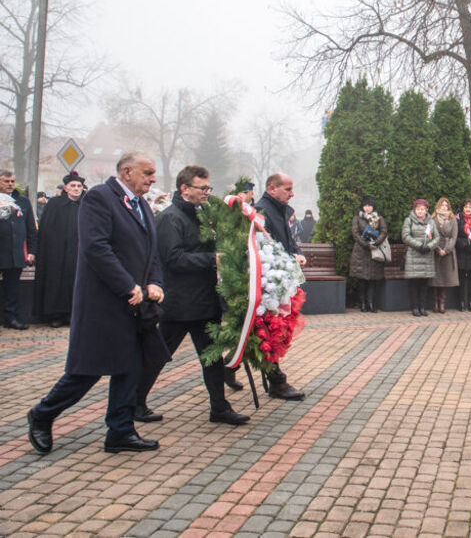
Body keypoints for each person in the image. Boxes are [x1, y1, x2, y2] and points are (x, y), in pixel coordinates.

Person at [28, 152, 170, 454]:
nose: (152, 179)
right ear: (127, 172)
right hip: (103, 302)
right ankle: (42, 414)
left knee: (129, 367)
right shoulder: (100, 199)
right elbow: (96, 247)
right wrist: (126, 284)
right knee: (87, 370)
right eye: (147, 172)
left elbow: (151, 251)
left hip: (135, 305)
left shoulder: (143, 205)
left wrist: (155, 282)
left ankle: (120, 431)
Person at [134, 166, 250, 427]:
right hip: (179, 304)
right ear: (185, 189)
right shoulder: (170, 219)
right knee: (158, 356)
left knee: (211, 359)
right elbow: (173, 259)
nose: (207, 193)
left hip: (203, 302)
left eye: (209, 188)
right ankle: (135, 402)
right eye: (202, 188)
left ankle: (219, 408)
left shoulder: (200, 215)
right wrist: (213, 259)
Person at [254, 174, 307, 400]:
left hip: (280, 280)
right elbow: (265, 246)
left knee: (266, 333)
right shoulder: (261, 211)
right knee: (269, 333)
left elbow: (287, 240)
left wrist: (297, 253)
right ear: (272, 188)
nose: (292, 193)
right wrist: (287, 257)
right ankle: (277, 382)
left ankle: (230, 367)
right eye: (288, 189)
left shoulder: (280, 209)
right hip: (268, 284)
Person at [33, 172, 86, 328]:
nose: (76, 189)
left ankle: (72, 314)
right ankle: (56, 314)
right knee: (56, 282)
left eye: (79, 186)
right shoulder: (55, 204)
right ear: (66, 188)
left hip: (78, 252)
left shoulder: (86, 204)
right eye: (73, 186)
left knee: (75, 282)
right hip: (56, 252)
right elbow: (46, 229)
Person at [0, 169, 37, 330]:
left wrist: (31, 251)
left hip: (15, 252)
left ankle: (11, 318)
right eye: (6, 181)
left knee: (12, 289)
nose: (10, 184)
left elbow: (30, 229)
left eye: (12, 182)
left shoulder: (22, 201)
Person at [401, 198, 439, 316]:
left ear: (427, 210)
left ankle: (422, 307)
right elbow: (405, 236)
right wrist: (419, 246)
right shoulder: (409, 220)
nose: (420, 211)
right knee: (414, 284)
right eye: (418, 209)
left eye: (422, 209)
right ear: (415, 210)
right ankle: (414, 307)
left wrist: (428, 247)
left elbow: (437, 238)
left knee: (424, 284)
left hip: (427, 255)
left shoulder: (431, 222)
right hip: (414, 255)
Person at [350, 197, 387, 313]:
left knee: (372, 279)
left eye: (369, 205)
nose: (367, 207)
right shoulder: (357, 218)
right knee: (362, 280)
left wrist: (376, 242)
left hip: (374, 251)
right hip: (361, 252)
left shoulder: (379, 218)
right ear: (362, 207)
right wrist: (365, 244)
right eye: (365, 205)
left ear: (373, 207)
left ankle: (371, 304)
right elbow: (355, 233)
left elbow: (383, 231)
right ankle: (363, 303)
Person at [428, 198, 458, 313]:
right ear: (438, 206)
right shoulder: (432, 219)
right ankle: (435, 303)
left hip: (448, 252)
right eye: (442, 205)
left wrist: (446, 250)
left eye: (446, 205)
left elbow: (453, 237)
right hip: (436, 251)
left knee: (445, 279)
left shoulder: (452, 219)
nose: (444, 207)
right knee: (436, 280)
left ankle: (442, 303)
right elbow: (429, 236)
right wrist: (437, 249)